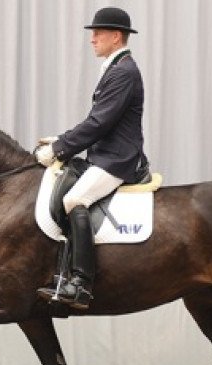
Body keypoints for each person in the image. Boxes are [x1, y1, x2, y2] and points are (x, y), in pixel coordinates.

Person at [36, 6, 148, 309]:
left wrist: (58, 150)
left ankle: (81, 283)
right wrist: (61, 140)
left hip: (118, 159)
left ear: (115, 36)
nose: (92, 39)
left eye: (98, 33)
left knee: (74, 200)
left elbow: (99, 124)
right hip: (106, 153)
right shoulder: (115, 67)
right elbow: (96, 120)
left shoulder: (124, 72)